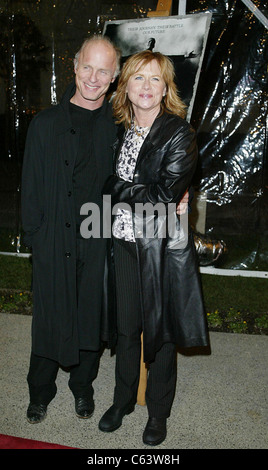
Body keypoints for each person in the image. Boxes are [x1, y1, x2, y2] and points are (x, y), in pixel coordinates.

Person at [98, 50, 209, 446]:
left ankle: (158, 414)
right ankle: (123, 400)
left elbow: (162, 196)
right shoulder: (119, 130)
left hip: (159, 248)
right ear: (125, 85)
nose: (147, 87)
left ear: (166, 89)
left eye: (155, 79)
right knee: (125, 329)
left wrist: (116, 188)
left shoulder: (179, 133)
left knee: (159, 333)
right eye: (138, 78)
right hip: (122, 244)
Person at [21, 35, 121, 424]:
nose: (94, 78)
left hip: (99, 239)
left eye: (103, 71)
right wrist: (35, 241)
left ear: (113, 78)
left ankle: (83, 387)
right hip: (53, 239)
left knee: (90, 320)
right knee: (48, 320)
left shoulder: (117, 126)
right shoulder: (44, 124)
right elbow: (29, 187)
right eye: (88, 68)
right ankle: (40, 392)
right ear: (75, 66)